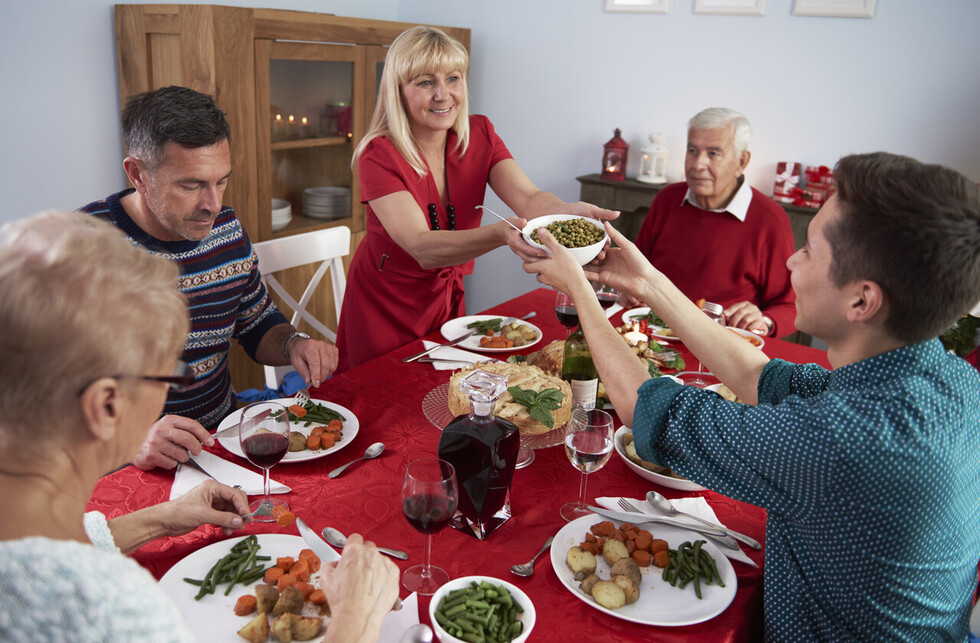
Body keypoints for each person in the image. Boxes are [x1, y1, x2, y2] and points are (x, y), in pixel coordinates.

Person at [525, 153, 980, 643]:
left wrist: (580, 289)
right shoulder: (948, 377)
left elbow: (648, 410)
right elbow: (758, 374)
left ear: (862, 301)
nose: (791, 261)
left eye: (808, 250)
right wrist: (647, 282)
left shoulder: (845, 439)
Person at [0, 211, 399, 643]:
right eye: (168, 374)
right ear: (106, 405)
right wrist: (356, 621)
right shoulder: (111, 609)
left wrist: (159, 518)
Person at [80, 85, 338, 471]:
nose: (212, 204)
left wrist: (294, 344)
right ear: (137, 174)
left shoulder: (227, 230)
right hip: (124, 466)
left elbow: (256, 325)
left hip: (220, 444)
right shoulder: (78, 251)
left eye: (220, 181)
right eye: (190, 185)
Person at [335, 25, 617, 371]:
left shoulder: (480, 133)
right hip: (382, 306)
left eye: (453, 78)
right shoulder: (378, 155)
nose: (443, 94)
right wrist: (501, 234)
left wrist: (565, 214)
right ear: (398, 92)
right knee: (379, 400)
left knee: (441, 392)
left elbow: (528, 197)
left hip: (444, 300)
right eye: (425, 82)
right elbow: (421, 247)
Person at [633, 107, 797, 337]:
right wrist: (629, 288)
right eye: (692, 150)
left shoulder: (770, 220)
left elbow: (790, 306)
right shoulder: (667, 199)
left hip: (723, 345)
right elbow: (637, 268)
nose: (698, 164)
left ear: (741, 161)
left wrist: (765, 321)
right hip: (654, 333)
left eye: (713, 153)